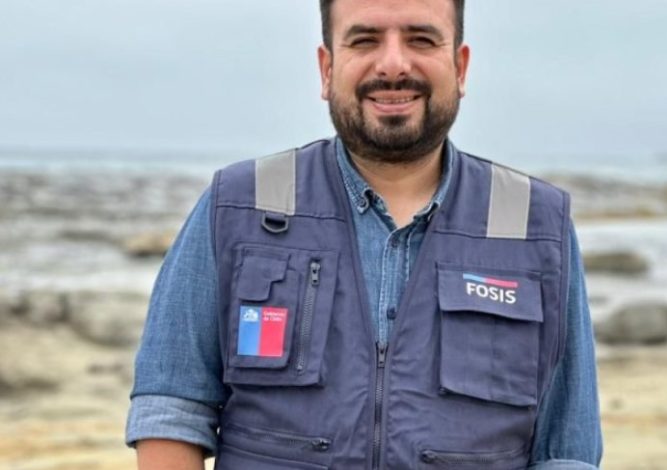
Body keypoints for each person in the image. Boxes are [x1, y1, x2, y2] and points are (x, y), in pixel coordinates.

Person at [126, 0, 603, 468]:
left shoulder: (536, 223)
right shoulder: (238, 204)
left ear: (460, 67)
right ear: (327, 68)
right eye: (365, 40)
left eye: (421, 39)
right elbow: (171, 411)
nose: (393, 64)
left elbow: (565, 450)